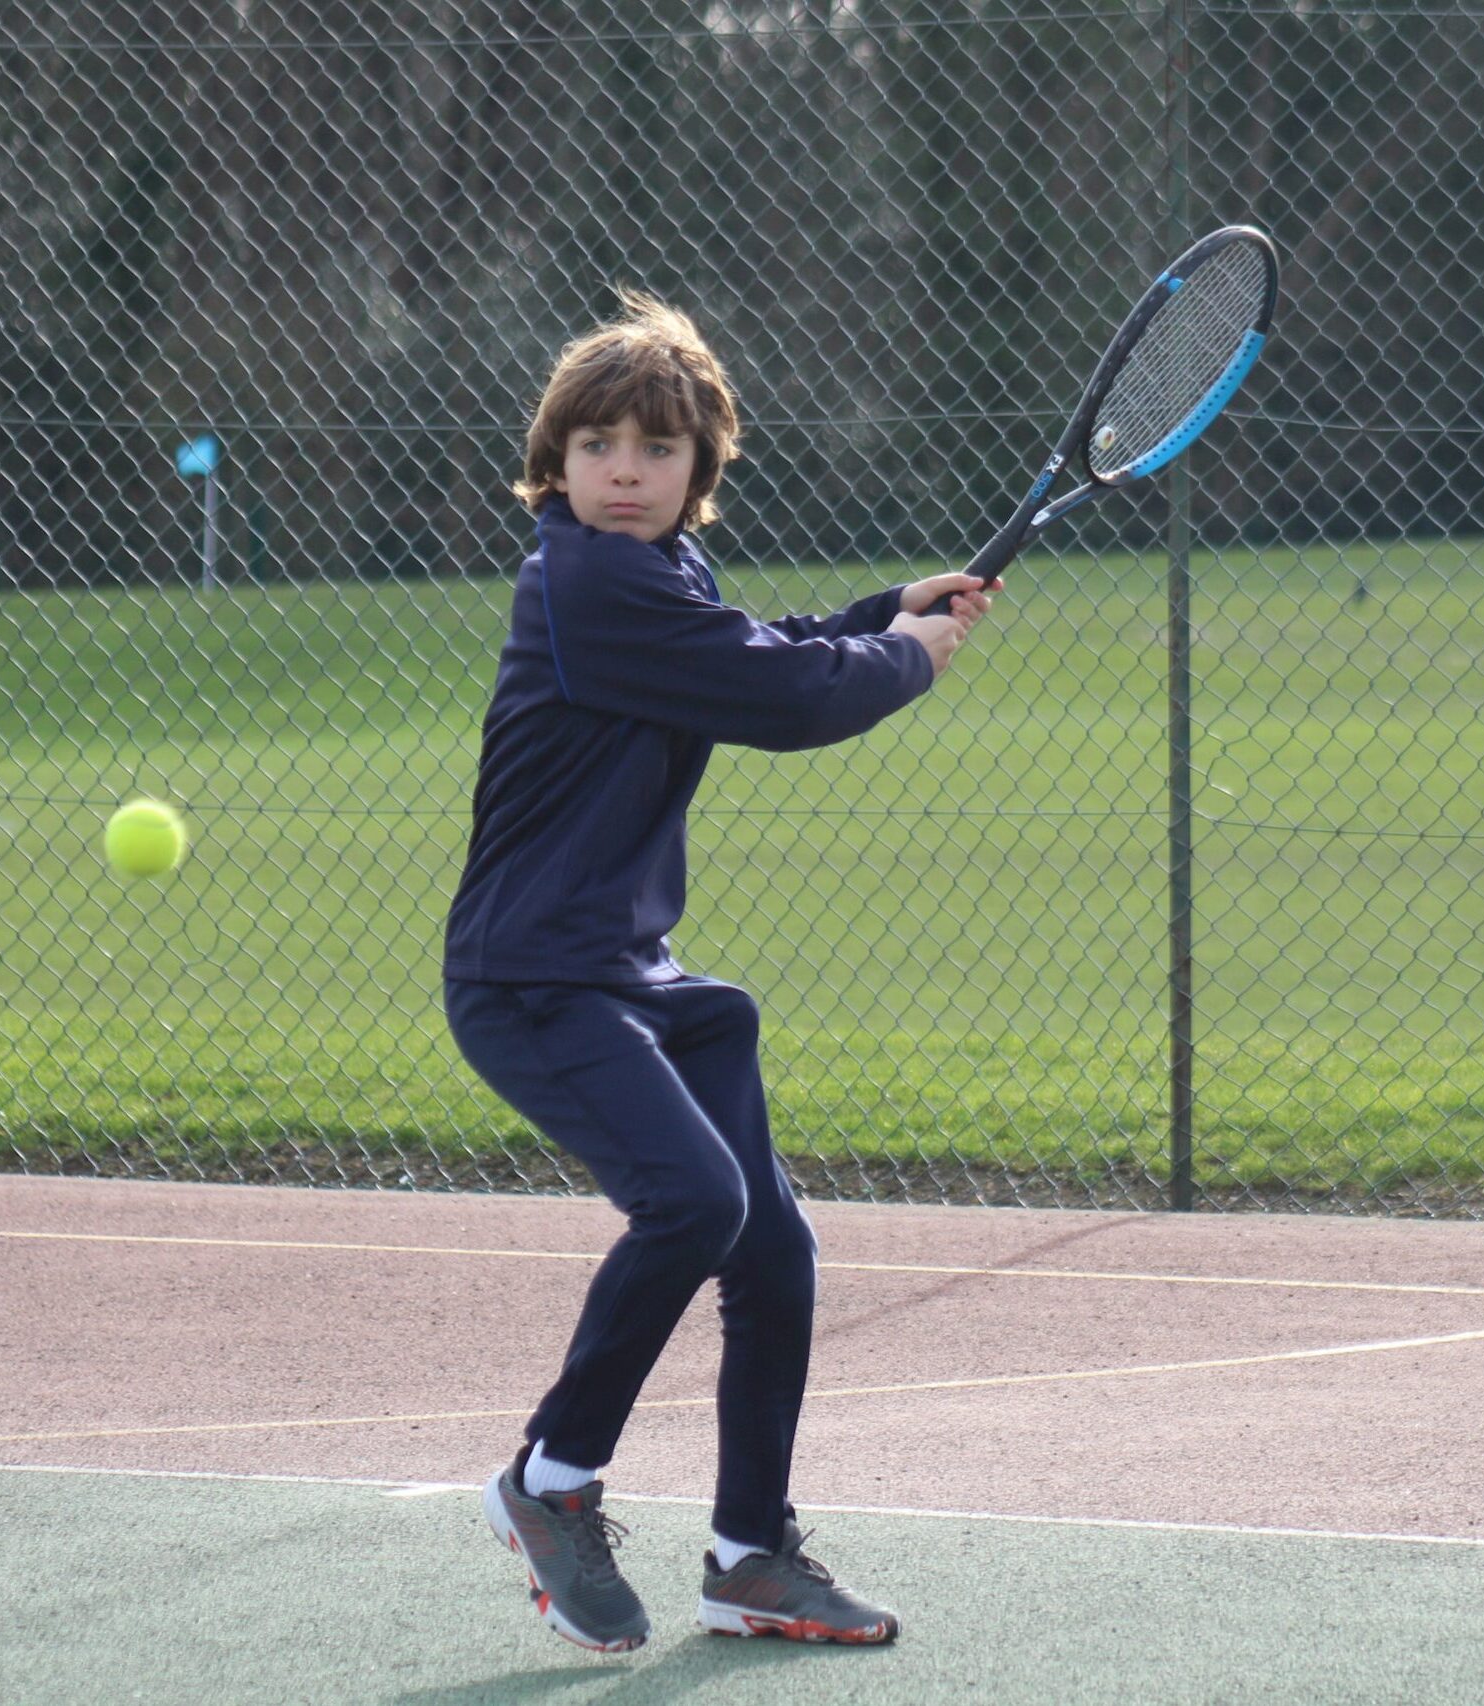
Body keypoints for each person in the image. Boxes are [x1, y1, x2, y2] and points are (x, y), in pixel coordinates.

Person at [443, 292, 996, 1652]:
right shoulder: (582, 577)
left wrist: (881, 611)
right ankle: (548, 1480)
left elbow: (753, 644)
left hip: (634, 974)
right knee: (690, 1200)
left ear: (700, 471)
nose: (622, 470)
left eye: (654, 448)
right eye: (595, 445)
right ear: (554, 463)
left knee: (773, 1248)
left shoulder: (657, 576)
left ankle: (750, 1555)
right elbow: (783, 699)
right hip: (535, 977)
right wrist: (903, 660)